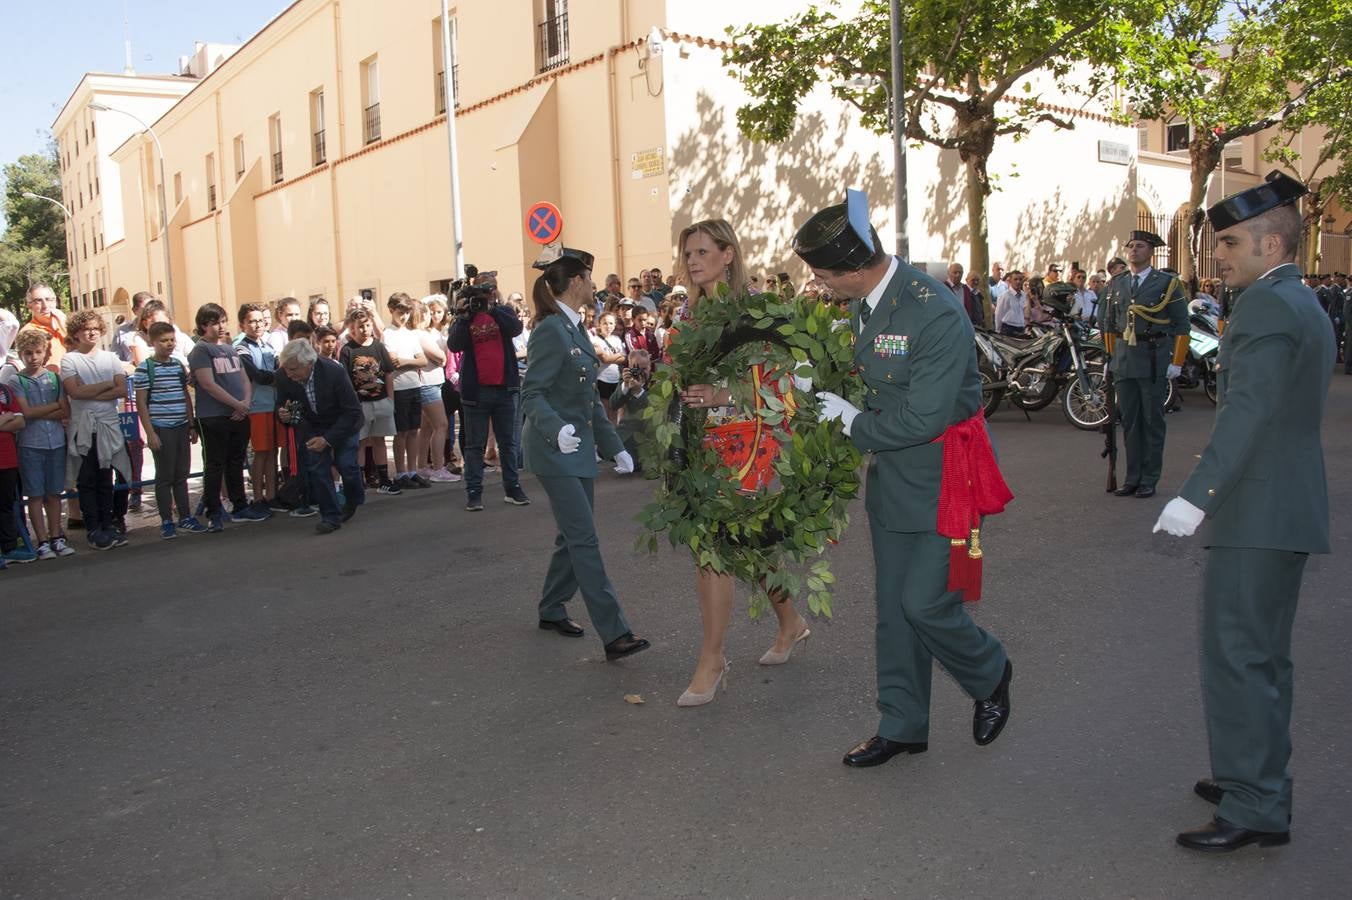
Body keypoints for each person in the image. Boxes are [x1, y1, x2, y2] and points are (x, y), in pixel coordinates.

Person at [795, 191, 1013, 768]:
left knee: (926, 604)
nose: (820, 286)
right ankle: (902, 722)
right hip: (894, 476)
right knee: (894, 609)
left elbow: (924, 417)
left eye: (823, 276)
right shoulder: (864, 301)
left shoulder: (932, 311)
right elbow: (868, 373)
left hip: (945, 475)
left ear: (853, 268)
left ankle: (990, 672)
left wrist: (849, 420)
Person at [1152, 172, 1333, 853]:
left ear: (1273, 241)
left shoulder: (1263, 305)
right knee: (1262, 657)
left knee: (1238, 656)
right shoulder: (1296, 300)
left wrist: (1193, 499)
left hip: (1256, 511)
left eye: (1229, 242)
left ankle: (1256, 802)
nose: (1217, 255)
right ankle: (1250, 777)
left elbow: (1248, 415)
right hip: (1282, 507)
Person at [672, 218, 815, 706]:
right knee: (748, 546)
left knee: (715, 547)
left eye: (702, 251)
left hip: (749, 448)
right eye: (687, 253)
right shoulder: (687, 317)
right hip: (701, 448)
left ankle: (712, 660)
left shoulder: (756, 309)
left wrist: (721, 392)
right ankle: (791, 623)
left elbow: (786, 385)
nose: (692, 260)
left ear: (728, 254)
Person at [520, 245, 648, 662]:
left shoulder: (574, 328)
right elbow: (532, 393)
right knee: (584, 539)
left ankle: (551, 607)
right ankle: (615, 634)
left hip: (577, 449)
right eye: (589, 279)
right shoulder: (550, 330)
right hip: (552, 448)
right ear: (576, 282)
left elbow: (591, 400)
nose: (593, 285)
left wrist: (616, 448)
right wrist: (556, 431)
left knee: (572, 534)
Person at [1098, 230, 1189, 499]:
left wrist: (1177, 361)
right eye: (1131, 246)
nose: (1134, 250)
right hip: (1124, 360)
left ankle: (1149, 478)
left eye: (1140, 246)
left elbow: (1182, 325)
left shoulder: (1167, 284)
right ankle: (1132, 477)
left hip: (1153, 358)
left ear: (1151, 252)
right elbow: (1109, 324)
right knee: (1130, 421)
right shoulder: (1117, 283)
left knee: (1152, 421)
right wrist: (1110, 357)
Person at [447, 283, 529, 510]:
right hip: (477, 391)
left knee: (508, 443)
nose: (481, 302)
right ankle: (474, 493)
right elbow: (454, 345)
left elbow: (516, 328)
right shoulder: (466, 317)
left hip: (505, 388)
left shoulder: (503, 312)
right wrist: (464, 316)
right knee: (475, 446)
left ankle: (512, 488)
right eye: (478, 298)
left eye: (485, 296)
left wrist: (492, 309)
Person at [189, 303, 269, 531]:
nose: (221, 326)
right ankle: (214, 510)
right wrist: (237, 404)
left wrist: (244, 403)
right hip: (214, 417)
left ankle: (240, 505)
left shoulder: (230, 349)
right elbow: (207, 383)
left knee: (236, 462)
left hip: (238, 415)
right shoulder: (201, 350)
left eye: (223, 321)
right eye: (216, 323)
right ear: (204, 325)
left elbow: (244, 379)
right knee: (215, 464)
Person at [275, 339, 366, 534]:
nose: (289, 374)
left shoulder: (334, 372)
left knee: (346, 465)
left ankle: (353, 499)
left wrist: (328, 439)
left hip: (343, 423)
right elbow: (283, 407)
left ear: (309, 364)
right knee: (317, 468)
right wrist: (283, 414)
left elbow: (351, 412)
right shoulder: (283, 376)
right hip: (312, 427)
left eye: (293, 369)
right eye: (286, 369)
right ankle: (330, 516)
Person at [60, 310, 131, 549]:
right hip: (84, 427)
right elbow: (75, 393)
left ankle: (108, 524)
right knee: (87, 479)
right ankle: (93, 529)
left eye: (94, 328)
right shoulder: (69, 360)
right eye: (84, 329)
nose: (90, 332)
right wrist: (108, 384)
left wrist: (92, 389)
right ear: (76, 333)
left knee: (106, 478)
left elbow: (122, 391)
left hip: (108, 425)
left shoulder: (111, 358)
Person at [5, 329, 74, 558]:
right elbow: (26, 412)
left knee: (54, 493)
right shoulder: (17, 380)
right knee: (35, 495)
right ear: (21, 354)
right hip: (30, 444)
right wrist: (51, 409)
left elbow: (65, 410)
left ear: (45, 353)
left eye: (38, 352)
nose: (33, 357)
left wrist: (41, 412)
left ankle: (56, 536)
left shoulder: (54, 377)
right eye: (28, 353)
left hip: (56, 442)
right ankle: (42, 540)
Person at [133, 321, 203, 538]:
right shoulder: (146, 368)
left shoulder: (177, 366)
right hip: (161, 428)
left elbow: (184, 396)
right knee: (165, 476)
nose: (169, 344)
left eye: (172, 339)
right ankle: (166, 520)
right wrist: (151, 433)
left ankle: (185, 516)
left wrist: (191, 425)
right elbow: (141, 403)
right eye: (163, 340)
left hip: (181, 426)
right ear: (152, 342)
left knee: (182, 474)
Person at [339, 307, 401, 495]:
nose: (365, 329)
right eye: (361, 326)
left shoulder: (378, 346)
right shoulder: (347, 350)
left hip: (381, 401)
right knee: (360, 441)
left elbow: (388, 373)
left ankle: (383, 479)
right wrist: (352, 404)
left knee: (379, 440)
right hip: (360, 404)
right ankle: (360, 481)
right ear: (352, 329)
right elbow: (345, 380)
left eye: (368, 325)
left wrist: (390, 399)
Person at [236, 303, 283, 513]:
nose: (257, 325)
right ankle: (257, 498)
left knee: (273, 452)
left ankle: (272, 495)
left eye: (260, 320)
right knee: (260, 453)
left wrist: (275, 377)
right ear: (242, 324)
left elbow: (277, 372)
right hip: (257, 407)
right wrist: (275, 378)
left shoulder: (268, 346)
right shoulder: (242, 347)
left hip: (273, 405)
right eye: (251, 321)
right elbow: (256, 375)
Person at [382, 292, 430, 490]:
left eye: (406, 313)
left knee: (413, 430)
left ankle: (412, 470)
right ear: (392, 310)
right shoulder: (388, 333)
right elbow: (393, 363)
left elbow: (423, 360)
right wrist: (409, 363)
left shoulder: (410, 334)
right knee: (401, 432)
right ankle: (400, 472)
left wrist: (407, 361)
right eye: (400, 312)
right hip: (399, 387)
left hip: (414, 386)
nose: (403, 317)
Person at [0, 374, 29, 566]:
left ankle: (9, 548)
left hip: (7, 459)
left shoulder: (4, 390)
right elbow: (13, 419)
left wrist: (10, 417)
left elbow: (20, 422)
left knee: (5, 505)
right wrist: (6, 417)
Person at [607, 348, 652, 470]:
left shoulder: (657, 380)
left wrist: (639, 391)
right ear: (629, 367)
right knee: (606, 445)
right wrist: (625, 387)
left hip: (650, 428)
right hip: (629, 429)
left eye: (644, 369)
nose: (640, 372)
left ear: (650, 366)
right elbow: (613, 405)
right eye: (636, 368)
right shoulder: (626, 380)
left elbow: (652, 408)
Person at [22, 284, 68, 373]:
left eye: (49, 299)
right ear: (29, 305)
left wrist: (64, 325)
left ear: (55, 302)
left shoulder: (64, 324)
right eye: (38, 301)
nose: (45, 305)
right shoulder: (28, 332)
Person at [590, 312, 627, 424]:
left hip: (615, 379)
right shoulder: (595, 340)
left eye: (611, 323)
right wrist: (618, 355)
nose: (608, 326)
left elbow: (624, 358)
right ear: (599, 324)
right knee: (605, 412)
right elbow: (604, 359)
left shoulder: (616, 339)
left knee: (615, 411)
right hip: (602, 379)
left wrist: (611, 357)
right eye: (605, 323)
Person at [112, 291, 155, 363]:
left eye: (153, 308)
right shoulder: (122, 332)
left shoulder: (166, 328)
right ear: (135, 310)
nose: (150, 312)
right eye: (146, 309)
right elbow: (116, 360)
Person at [945, 262, 983, 328]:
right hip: (949, 326)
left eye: (960, 273)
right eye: (955, 272)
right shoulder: (943, 288)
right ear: (948, 273)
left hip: (965, 326)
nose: (958, 275)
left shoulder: (966, 289)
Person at [994, 270, 1027, 335]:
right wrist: (998, 330)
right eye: (1015, 279)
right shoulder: (1005, 296)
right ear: (1010, 281)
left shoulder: (1024, 295)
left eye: (1020, 279)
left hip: (1021, 329)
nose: (1018, 281)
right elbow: (999, 314)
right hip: (1008, 329)